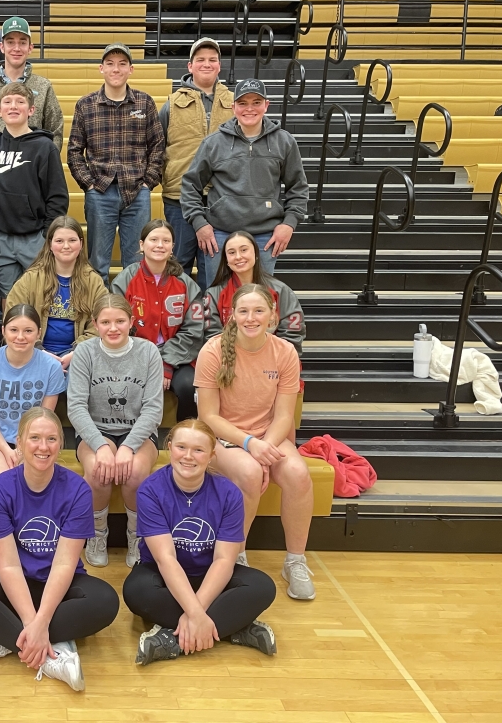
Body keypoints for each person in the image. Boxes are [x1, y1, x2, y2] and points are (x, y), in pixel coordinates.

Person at [0, 407, 120, 691]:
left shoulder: (77, 489)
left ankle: (1, 639)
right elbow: (9, 566)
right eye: (34, 437)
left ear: (60, 444)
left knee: (105, 601)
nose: (43, 446)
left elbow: (64, 564)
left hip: (61, 585)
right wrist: (32, 622)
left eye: (51, 439)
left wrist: (41, 621)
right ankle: (51, 654)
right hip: (14, 583)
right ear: (19, 442)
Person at [194, 283, 316, 600]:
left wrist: (263, 449)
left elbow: (284, 416)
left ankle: (295, 561)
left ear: (272, 315)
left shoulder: (285, 352)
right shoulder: (212, 350)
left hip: (268, 436)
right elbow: (209, 417)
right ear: (232, 315)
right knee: (247, 473)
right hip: (225, 436)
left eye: (258, 310)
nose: (251, 318)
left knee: (299, 475)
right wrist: (251, 446)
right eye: (244, 311)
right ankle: (236, 555)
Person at [123, 419, 277, 665]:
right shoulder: (150, 490)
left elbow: (225, 559)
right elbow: (166, 559)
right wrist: (196, 614)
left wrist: (196, 612)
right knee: (136, 591)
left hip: (211, 575)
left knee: (263, 587)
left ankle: (169, 639)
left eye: (198, 450)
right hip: (164, 575)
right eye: (181, 447)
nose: (188, 456)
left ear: (211, 455)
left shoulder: (229, 493)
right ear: (169, 448)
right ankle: (234, 628)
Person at [0, 304, 68, 567]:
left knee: (33, 481)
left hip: (35, 440)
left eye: (28, 330)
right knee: (0, 484)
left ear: (39, 333)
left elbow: (44, 420)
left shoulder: (51, 367)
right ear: (3, 330)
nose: (20, 336)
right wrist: (10, 450)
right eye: (14, 330)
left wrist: (25, 449)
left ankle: (25, 548)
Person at [68, 294, 163, 569]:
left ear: (131, 322)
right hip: (95, 430)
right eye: (106, 322)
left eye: (120, 321)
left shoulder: (148, 352)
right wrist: (100, 445)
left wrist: (127, 447)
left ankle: (136, 536)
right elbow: (75, 407)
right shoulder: (85, 352)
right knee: (99, 471)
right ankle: (97, 534)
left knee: (134, 473)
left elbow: (154, 409)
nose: (113, 328)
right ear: (95, 324)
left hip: (138, 430)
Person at [181, 78, 308, 285]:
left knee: (259, 299)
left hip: (265, 236)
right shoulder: (213, 143)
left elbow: (298, 188)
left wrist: (289, 224)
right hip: (220, 234)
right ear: (233, 107)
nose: (249, 109)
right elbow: (190, 185)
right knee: (218, 297)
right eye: (243, 103)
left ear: (266, 105)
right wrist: (199, 223)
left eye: (256, 102)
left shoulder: (284, 141)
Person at [67, 42, 165, 284]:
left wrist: (148, 183)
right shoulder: (85, 105)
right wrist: (89, 184)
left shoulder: (145, 103)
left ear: (131, 69)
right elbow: (74, 151)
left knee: (135, 262)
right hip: (100, 192)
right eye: (110, 64)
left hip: (137, 192)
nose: (116, 69)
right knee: (98, 263)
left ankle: (133, 314)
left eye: (122, 64)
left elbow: (158, 146)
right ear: (101, 68)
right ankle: (99, 316)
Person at [0, 82, 69, 308]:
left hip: (34, 238)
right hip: (1, 237)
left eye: (20, 102)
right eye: (7, 102)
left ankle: (39, 342)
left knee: (38, 295)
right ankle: (10, 342)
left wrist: (46, 236)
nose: (14, 106)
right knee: (8, 299)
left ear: (31, 110)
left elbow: (57, 197)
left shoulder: (44, 147)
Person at [158, 38, 233, 286]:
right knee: (178, 266)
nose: (206, 64)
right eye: (200, 59)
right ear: (190, 66)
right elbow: (157, 148)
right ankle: (177, 321)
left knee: (213, 269)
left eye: (212, 59)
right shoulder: (171, 105)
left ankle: (208, 322)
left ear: (219, 66)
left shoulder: (234, 104)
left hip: (221, 200)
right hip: (179, 199)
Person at [111, 220, 202, 421]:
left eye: (166, 240)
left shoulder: (185, 284)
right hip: (134, 356)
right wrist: (148, 360)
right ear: (142, 245)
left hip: (177, 359)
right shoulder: (125, 280)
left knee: (189, 386)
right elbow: (117, 327)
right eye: (154, 239)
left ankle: (185, 438)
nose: (160, 245)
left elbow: (193, 330)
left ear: (172, 247)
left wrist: (167, 363)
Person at [5, 216, 107, 371]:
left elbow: (101, 324)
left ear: (81, 244)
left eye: (72, 240)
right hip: (34, 351)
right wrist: (38, 351)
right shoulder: (31, 278)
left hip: (79, 354)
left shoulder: (93, 281)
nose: (66, 246)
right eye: (59, 241)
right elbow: (13, 318)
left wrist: (76, 353)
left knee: (75, 385)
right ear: (50, 245)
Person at [0, 17, 65, 151]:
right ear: (2, 47)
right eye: (10, 42)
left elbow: (55, 130)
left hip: (31, 168)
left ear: (30, 48)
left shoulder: (43, 86)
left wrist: (45, 161)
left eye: (22, 42)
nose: (16, 48)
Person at [202, 230, 305, 357]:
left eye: (244, 250)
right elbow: (212, 338)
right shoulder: (213, 294)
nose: (238, 256)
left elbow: (292, 334)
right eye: (232, 252)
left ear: (256, 254)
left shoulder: (280, 291)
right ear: (226, 260)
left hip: (272, 361)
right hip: (230, 361)